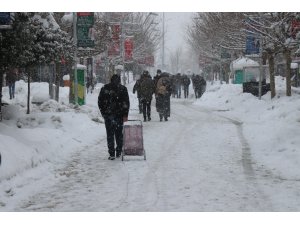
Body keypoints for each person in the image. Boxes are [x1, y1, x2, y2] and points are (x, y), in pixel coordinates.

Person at [98, 74, 130, 160]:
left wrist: (103, 113)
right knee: (119, 134)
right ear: (119, 80)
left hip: (108, 116)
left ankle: (111, 153)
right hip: (119, 116)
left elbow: (100, 101)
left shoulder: (105, 88)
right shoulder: (123, 89)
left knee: (110, 134)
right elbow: (126, 103)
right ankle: (118, 151)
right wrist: (125, 115)